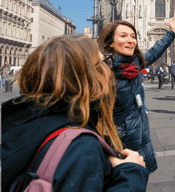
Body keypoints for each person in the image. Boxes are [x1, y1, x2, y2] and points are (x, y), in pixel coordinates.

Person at [2, 34, 148, 192]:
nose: (109, 69)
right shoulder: (82, 147)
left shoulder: (22, 123)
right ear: (86, 77)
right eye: (103, 62)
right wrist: (131, 174)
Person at [97, 18, 175, 173]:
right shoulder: (101, 72)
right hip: (117, 145)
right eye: (123, 36)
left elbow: (154, 52)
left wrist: (172, 32)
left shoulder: (134, 64)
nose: (131, 40)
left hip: (139, 140)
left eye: (133, 36)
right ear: (110, 43)